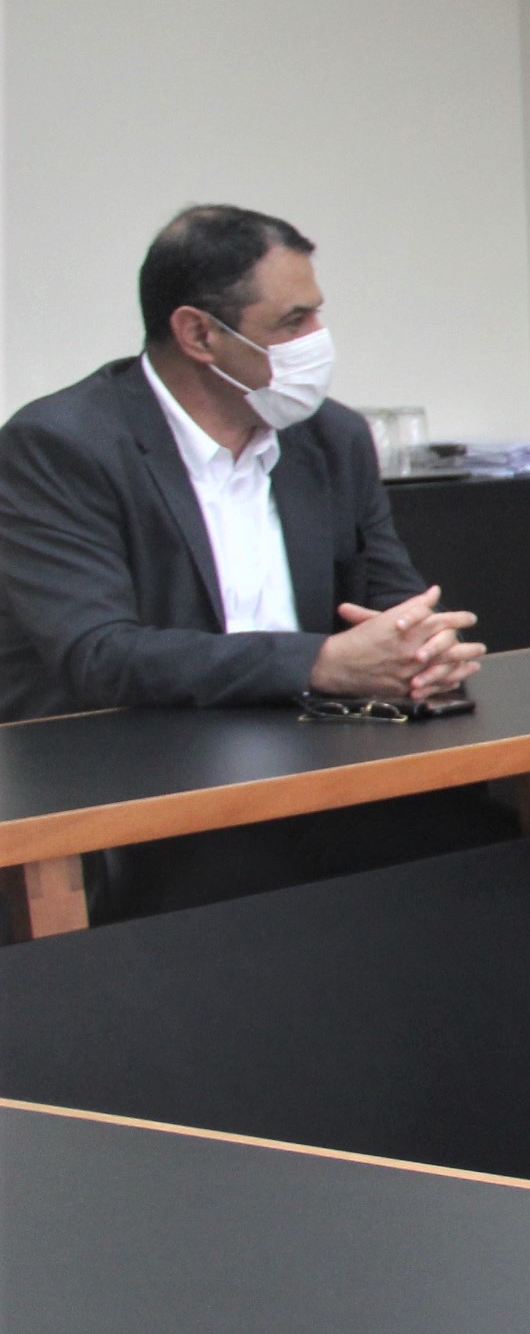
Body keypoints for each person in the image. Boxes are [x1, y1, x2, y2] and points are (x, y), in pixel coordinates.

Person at [0, 205, 501, 919]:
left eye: (318, 315)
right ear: (199, 334)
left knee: (488, 845)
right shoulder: (61, 443)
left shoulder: (331, 437)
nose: (317, 341)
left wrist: (423, 649)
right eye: (293, 322)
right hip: (133, 775)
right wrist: (318, 662)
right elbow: (99, 653)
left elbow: (395, 600)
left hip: (310, 756)